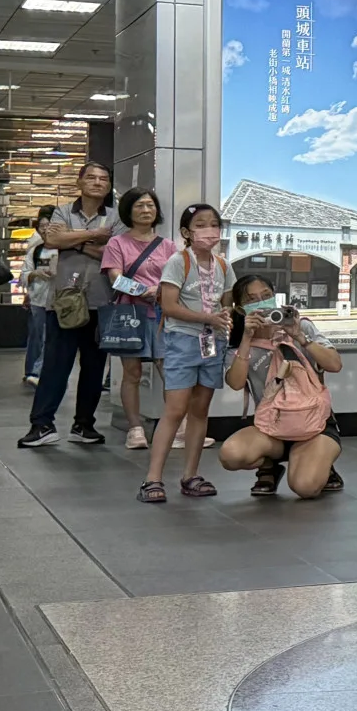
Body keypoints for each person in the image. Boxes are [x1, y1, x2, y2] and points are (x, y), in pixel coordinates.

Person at [20, 162, 123, 448]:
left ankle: (84, 425)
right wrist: (92, 236)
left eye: (103, 178)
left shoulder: (116, 217)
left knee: (93, 367)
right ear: (79, 183)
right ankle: (41, 424)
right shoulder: (62, 211)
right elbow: (51, 239)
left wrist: (73, 242)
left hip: (101, 302)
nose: (97, 182)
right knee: (55, 365)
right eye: (91, 177)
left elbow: (113, 252)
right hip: (63, 302)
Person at [218, 274, 344, 499]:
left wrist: (299, 337)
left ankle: (319, 462)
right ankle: (270, 463)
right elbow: (236, 383)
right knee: (231, 455)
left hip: (314, 425)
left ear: (275, 297)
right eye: (251, 300)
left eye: (266, 296)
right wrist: (247, 338)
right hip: (272, 427)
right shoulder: (238, 342)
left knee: (305, 487)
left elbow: (334, 365)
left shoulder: (300, 325)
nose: (261, 303)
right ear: (240, 310)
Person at [138, 204, 231, 503]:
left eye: (214, 224)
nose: (209, 230)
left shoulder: (224, 266)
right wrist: (210, 319)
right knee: (175, 410)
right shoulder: (179, 262)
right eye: (201, 224)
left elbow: (226, 304)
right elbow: (169, 306)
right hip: (181, 341)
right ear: (186, 232)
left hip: (212, 343)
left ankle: (190, 475)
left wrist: (229, 317)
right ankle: (152, 479)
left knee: (200, 411)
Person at [100, 188, 175, 451]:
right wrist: (147, 291)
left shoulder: (168, 245)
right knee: (131, 373)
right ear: (129, 211)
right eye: (140, 206)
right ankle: (135, 429)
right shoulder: (117, 243)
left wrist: (161, 293)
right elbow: (116, 279)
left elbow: (178, 280)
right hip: (129, 314)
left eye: (150, 206)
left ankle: (175, 429)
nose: (146, 210)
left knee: (170, 371)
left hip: (164, 316)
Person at [21, 205, 56, 385]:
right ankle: (32, 371)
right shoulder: (35, 251)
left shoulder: (66, 250)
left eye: (48, 226)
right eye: (42, 227)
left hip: (59, 301)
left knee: (50, 337)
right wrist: (35, 274)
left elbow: (76, 275)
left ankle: (39, 371)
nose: (45, 230)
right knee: (37, 336)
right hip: (38, 300)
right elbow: (24, 275)